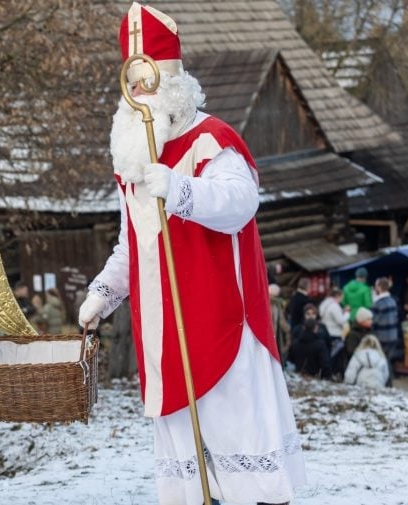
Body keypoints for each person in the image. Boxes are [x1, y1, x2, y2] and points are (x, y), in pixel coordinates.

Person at [77, 4, 305, 504]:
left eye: (148, 81)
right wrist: (103, 293)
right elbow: (134, 244)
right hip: (164, 337)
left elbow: (239, 205)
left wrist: (179, 189)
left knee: (244, 464)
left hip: (222, 324)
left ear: (172, 80)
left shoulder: (212, 140)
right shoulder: (133, 160)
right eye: (131, 84)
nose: (140, 94)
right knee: (191, 477)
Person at [287, 304, 332, 379]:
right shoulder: (298, 329)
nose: (311, 316)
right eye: (308, 314)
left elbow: (328, 344)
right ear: (304, 315)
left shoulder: (322, 328)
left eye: (313, 314)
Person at [370, 277, 400, 385]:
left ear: (379, 287)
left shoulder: (377, 304)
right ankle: (388, 383)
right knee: (388, 360)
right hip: (393, 335)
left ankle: (386, 383)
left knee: (383, 361)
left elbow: (374, 321)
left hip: (381, 336)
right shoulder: (392, 301)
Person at [269, 284, 291, 366]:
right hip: (269, 335)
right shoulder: (269, 305)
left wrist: (288, 329)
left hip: (273, 335)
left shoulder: (277, 305)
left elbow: (282, 322)